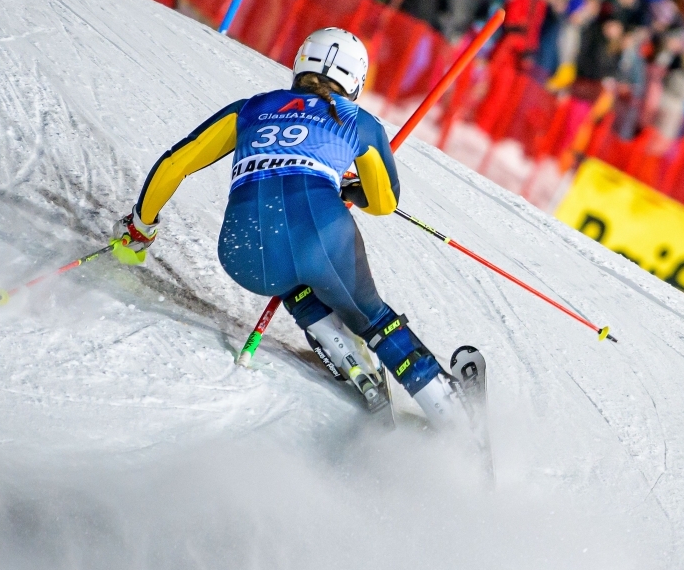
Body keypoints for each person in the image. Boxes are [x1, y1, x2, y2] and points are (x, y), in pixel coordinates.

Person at [109, 28, 470, 427]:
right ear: (356, 81)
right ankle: (451, 413)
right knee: (372, 317)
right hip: (321, 233)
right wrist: (348, 187)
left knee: (289, 268)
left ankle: (345, 354)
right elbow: (384, 203)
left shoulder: (250, 108)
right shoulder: (358, 121)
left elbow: (174, 164)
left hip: (242, 252)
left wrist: (140, 229)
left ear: (300, 62)